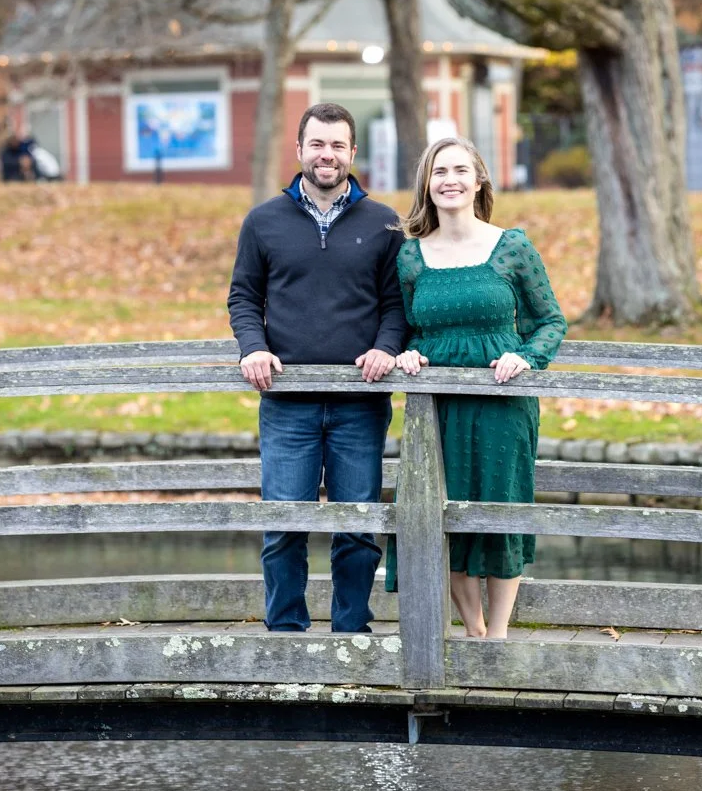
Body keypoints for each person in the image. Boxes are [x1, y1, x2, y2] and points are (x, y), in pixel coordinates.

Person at [227, 103, 407, 633]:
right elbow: (243, 296)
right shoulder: (263, 221)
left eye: (337, 146)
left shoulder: (384, 223)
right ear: (300, 150)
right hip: (287, 402)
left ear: (353, 153)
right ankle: (285, 631)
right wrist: (252, 347)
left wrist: (386, 347)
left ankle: (352, 631)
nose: (327, 155)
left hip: (361, 401)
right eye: (317, 144)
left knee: (358, 526)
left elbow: (397, 303)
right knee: (284, 524)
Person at [392, 137, 566, 639]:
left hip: (502, 402)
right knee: (436, 511)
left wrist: (526, 356)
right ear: (427, 183)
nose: (450, 180)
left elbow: (549, 320)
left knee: (500, 505)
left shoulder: (511, 246)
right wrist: (408, 350)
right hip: (435, 406)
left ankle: (499, 636)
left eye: (460, 170)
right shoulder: (410, 257)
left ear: (479, 179)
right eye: (439, 171)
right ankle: (472, 629)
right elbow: (405, 326)